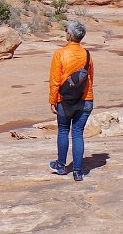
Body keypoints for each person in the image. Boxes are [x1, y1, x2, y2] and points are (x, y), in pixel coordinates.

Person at [48, 19, 94, 181]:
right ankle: (77, 172)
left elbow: (55, 81)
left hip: (65, 100)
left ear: (69, 35)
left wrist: (53, 101)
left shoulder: (60, 54)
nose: (65, 32)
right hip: (85, 99)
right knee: (77, 133)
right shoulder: (87, 54)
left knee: (63, 130)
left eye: (66, 30)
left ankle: (61, 166)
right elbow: (90, 79)